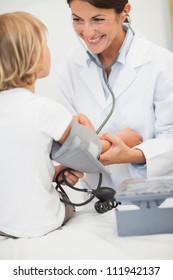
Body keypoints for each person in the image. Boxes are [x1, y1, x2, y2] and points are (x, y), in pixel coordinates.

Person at [0, 11, 108, 238]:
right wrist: (86, 130)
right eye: (45, 45)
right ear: (33, 57)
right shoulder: (45, 110)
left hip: (3, 225)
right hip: (38, 223)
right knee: (66, 204)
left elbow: (16, 171)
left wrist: (56, 171)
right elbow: (92, 149)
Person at [55, 0, 173, 190]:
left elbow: (170, 137)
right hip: (95, 202)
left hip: (151, 195)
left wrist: (131, 154)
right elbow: (66, 138)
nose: (87, 32)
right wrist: (114, 143)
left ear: (125, 11)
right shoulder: (71, 65)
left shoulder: (163, 64)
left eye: (98, 19)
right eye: (77, 19)